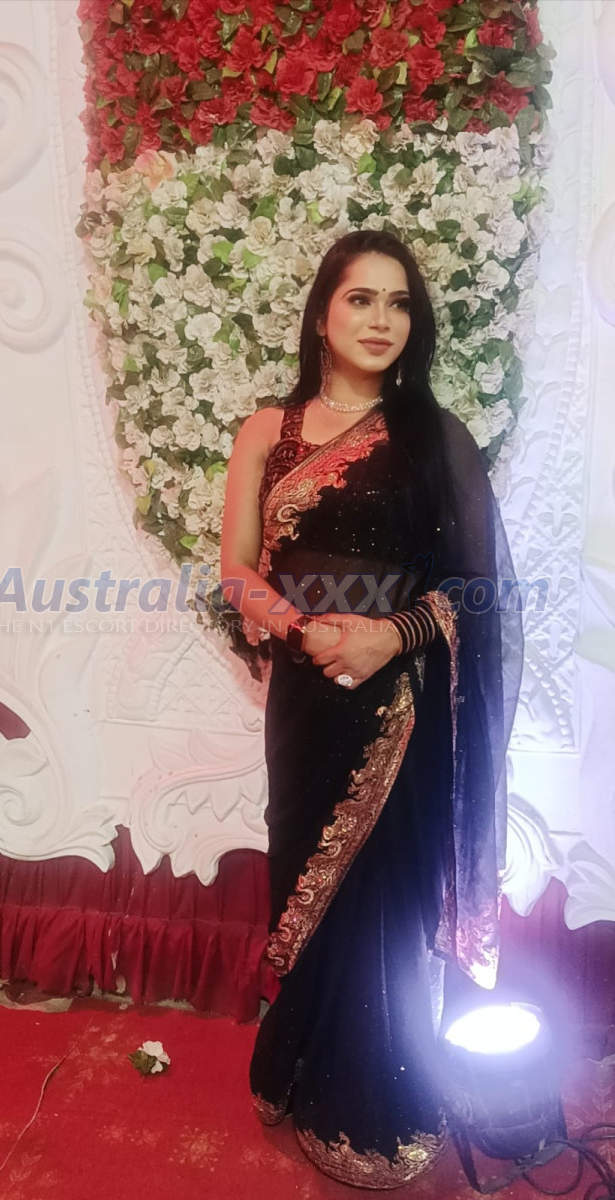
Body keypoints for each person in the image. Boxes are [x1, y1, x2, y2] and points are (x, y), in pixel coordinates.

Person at [219, 229, 524, 1189]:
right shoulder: (266, 432)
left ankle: (372, 1100)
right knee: (303, 878)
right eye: (361, 299)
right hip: (304, 706)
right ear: (322, 314)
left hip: (399, 708)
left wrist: (388, 637)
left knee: (383, 903)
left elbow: (476, 587)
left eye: (398, 303)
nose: (381, 319)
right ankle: (298, 1064)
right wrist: (293, 622)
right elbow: (236, 569)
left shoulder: (435, 438)